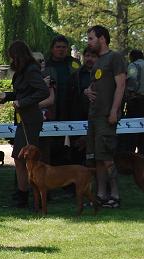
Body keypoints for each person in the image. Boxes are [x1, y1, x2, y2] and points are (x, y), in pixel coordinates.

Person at [0, 40, 49, 208]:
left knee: (24, 159)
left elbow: (43, 91)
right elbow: (22, 92)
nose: (11, 60)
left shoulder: (31, 70)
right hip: (24, 119)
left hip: (30, 120)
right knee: (20, 159)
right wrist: (8, 96)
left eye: (12, 56)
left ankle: (26, 196)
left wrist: (23, 102)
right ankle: (24, 194)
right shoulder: (23, 71)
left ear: (18, 55)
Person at [84, 25, 126, 208]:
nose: (89, 42)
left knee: (107, 157)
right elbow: (96, 86)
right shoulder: (98, 62)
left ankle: (115, 196)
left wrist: (114, 111)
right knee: (98, 158)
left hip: (106, 116)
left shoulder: (115, 58)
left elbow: (121, 86)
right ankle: (101, 196)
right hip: (94, 117)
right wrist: (87, 91)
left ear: (102, 38)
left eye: (91, 38)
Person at [45, 35, 81, 166]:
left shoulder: (75, 64)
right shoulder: (45, 64)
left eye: (64, 47)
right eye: (58, 47)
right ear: (52, 49)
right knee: (52, 142)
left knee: (74, 142)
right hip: (52, 108)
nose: (61, 50)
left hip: (72, 107)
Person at [66, 47, 98, 164]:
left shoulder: (105, 74)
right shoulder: (76, 76)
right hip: (78, 122)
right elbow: (70, 100)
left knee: (98, 159)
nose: (89, 59)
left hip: (98, 120)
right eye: (87, 56)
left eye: (93, 56)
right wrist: (84, 93)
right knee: (78, 157)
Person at [125, 49, 144, 154]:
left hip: (137, 101)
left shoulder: (133, 66)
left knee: (133, 132)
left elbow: (132, 79)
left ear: (132, 57)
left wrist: (130, 92)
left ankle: (132, 160)